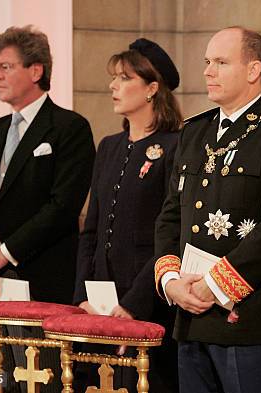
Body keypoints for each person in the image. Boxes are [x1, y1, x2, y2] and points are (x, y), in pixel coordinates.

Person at [152, 26, 261, 393]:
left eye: (221, 62)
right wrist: (170, 281)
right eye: (207, 62)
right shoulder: (194, 131)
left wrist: (213, 285)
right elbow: (170, 215)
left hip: (247, 315)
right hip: (190, 314)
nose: (208, 71)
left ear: (253, 70)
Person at [0, 25, 95, 393]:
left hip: (46, 278)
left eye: (5, 66)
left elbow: (62, 207)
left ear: (35, 71)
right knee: (2, 380)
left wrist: (2, 254)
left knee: (45, 378)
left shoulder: (69, 127)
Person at [73, 38, 181, 393]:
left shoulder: (174, 146)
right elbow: (91, 229)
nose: (112, 86)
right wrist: (82, 297)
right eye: (113, 78)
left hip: (147, 299)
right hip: (99, 303)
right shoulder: (109, 146)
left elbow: (170, 235)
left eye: (123, 78)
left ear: (152, 89)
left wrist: (134, 303)